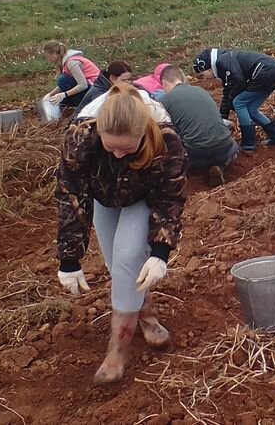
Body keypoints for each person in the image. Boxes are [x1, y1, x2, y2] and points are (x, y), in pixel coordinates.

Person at [55, 83, 188, 384]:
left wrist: (160, 253)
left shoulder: (165, 138)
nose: (116, 154)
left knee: (129, 257)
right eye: (109, 146)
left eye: (127, 149)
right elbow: (70, 194)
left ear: (144, 133)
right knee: (118, 267)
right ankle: (147, 316)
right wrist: (69, 259)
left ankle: (117, 351)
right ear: (98, 131)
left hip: (143, 194)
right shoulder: (81, 136)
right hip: (104, 195)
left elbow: (170, 197)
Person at [192, 48, 275, 153]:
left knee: (239, 103)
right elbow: (227, 91)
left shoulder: (222, 62)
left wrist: (232, 98)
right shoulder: (224, 62)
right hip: (272, 71)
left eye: (202, 74)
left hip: (264, 71)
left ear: (208, 67)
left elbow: (239, 82)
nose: (204, 78)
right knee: (251, 109)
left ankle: (248, 144)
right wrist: (222, 117)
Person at [160, 64, 239, 187]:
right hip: (224, 146)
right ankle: (220, 165)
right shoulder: (201, 91)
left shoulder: (165, 100)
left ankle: (193, 169)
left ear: (164, 83)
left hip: (196, 153)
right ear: (181, 78)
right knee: (233, 147)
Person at [41, 41, 100, 109]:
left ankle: (82, 106)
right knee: (60, 100)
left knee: (62, 80)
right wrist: (50, 94)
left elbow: (83, 85)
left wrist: (64, 94)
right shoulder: (66, 62)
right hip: (91, 88)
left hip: (95, 90)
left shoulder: (71, 63)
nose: (48, 59)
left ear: (54, 54)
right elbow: (64, 85)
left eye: (48, 56)